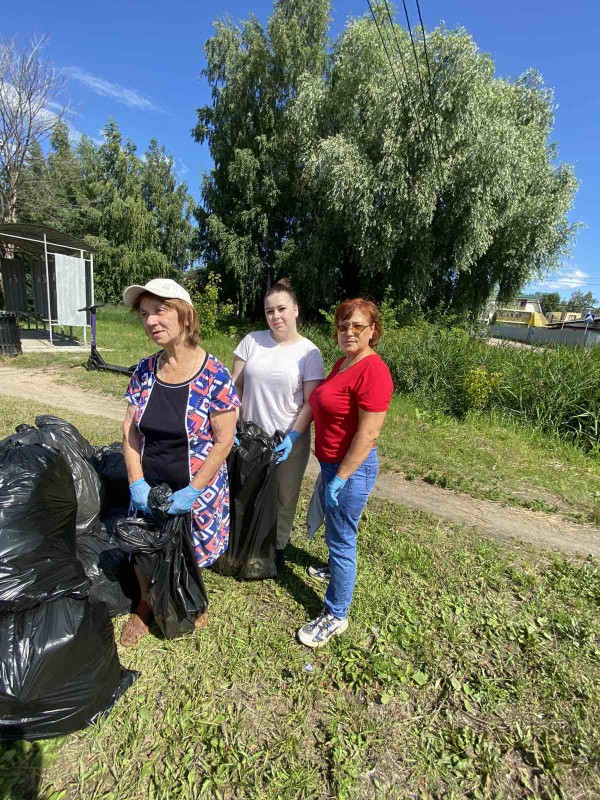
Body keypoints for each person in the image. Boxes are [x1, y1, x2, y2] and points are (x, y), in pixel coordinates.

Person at [120, 278, 239, 647]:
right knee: (142, 546)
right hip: (150, 482)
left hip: (194, 486)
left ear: (184, 314)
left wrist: (194, 491)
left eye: (160, 310)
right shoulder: (144, 371)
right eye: (144, 314)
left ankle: (191, 597)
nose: (151, 321)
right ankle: (144, 604)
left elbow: (224, 439)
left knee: (191, 548)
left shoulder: (214, 375)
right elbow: (130, 431)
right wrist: (137, 482)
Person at [298, 298, 393, 648]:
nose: (348, 332)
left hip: (350, 469)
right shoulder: (343, 363)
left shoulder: (374, 371)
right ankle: (334, 575)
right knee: (335, 529)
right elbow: (319, 402)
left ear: (373, 331)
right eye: (342, 325)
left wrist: (340, 477)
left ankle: (336, 614)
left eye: (357, 326)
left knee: (341, 541)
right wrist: (296, 434)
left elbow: (368, 434)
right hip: (330, 463)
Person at [231, 278, 325, 572]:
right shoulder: (251, 341)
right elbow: (235, 387)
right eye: (270, 311)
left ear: (296, 310)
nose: (276, 316)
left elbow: (311, 402)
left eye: (282, 309)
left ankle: (277, 546)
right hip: (249, 437)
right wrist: (233, 426)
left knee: (284, 495)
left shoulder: (309, 352)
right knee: (244, 489)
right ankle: (242, 542)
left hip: (288, 439)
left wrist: (293, 436)